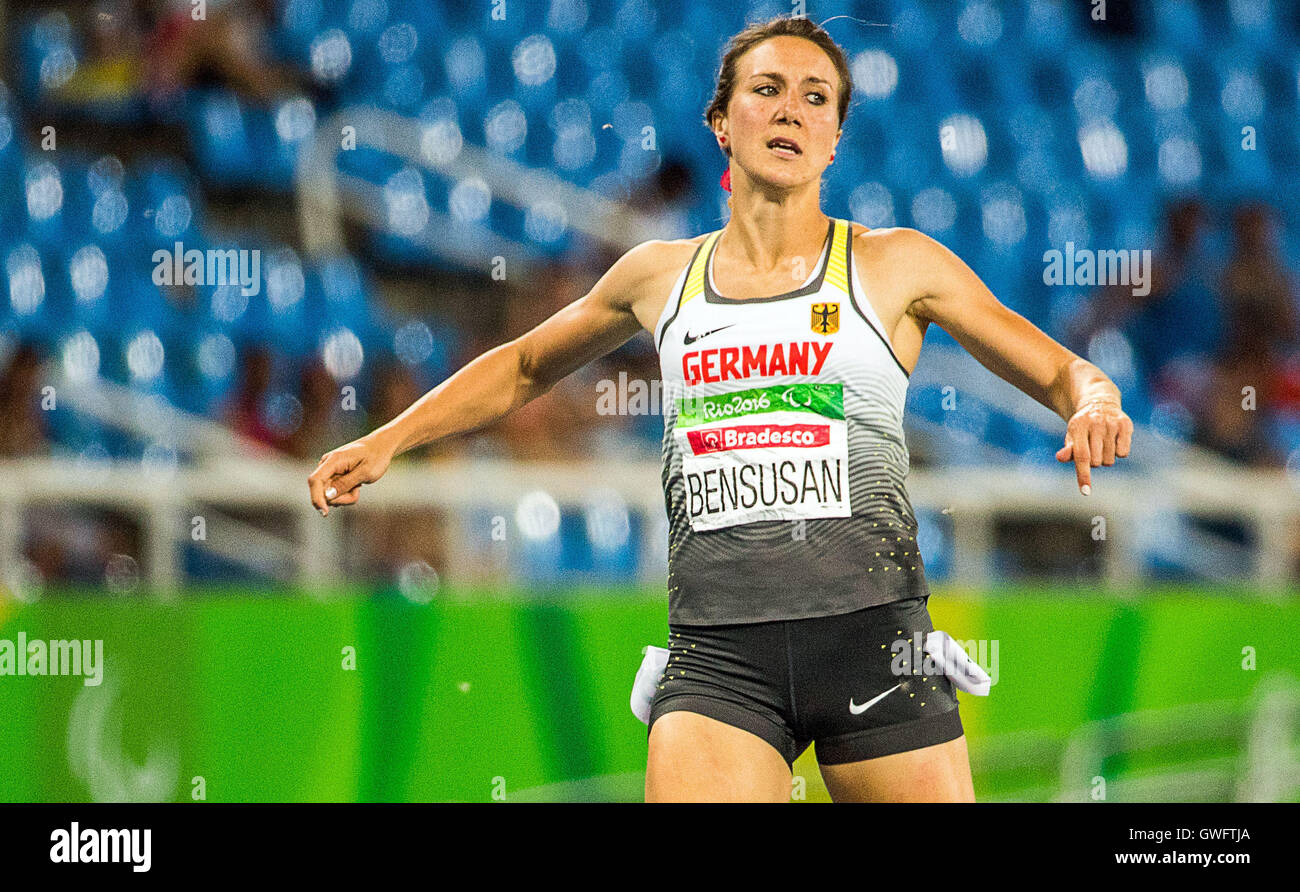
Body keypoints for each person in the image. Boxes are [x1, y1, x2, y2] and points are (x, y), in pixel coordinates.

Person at [306, 16, 1134, 802]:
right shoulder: (658, 275)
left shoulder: (895, 266)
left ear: (836, 138)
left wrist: (1094, 397)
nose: (791, 109)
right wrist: (389, 441)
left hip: (875, 640)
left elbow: (1061, 369)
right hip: (718, 656)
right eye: (767, 88)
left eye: (816, 97)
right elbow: (524, 365)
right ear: (721, 122)